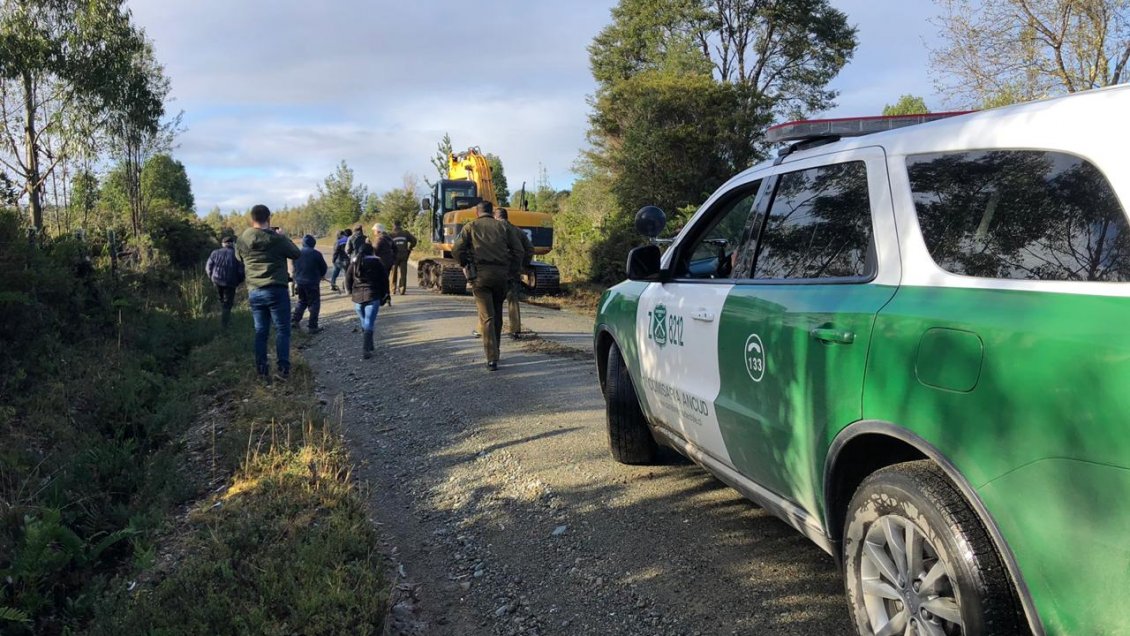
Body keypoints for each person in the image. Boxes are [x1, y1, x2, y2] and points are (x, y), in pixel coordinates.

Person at [452, 201, 524, 371]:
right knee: (497, 313)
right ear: (491, 212)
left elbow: (457, 249)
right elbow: (519, 251)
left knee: (487, 317)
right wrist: (511, 271)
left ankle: (492, 358)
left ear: (477, 213)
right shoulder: (503, 227)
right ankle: (496, 350)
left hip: (480, 276)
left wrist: (465, 263)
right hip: (501, 276)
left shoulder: (471, 227)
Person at [236, 204, 301, 381]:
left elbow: (238, 257)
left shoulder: (242, 238)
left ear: (252, 218)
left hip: (255, 290)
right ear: (269, 218)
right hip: (276, 289)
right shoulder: (277, 239)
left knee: (261, 332)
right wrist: (284, 237)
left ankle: (262, 371)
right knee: (282, 330)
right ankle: (283, 370)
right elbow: (296, 253)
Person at [345, 242, 390, 359]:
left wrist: (349, 290)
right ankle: (365, 349)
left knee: (364, 321)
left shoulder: (354, 263)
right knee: (369, 322)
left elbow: (348, 278)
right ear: (371, 251)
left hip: (357, 298)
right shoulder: (377, 262)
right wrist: (386, 293)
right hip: (372, 296)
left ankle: (370, 345)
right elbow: (385, 280)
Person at [494, 207, 534, 339]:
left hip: (496, 269)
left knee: (490, 301)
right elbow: (529, 249)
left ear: (496, 217)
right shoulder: (517, 231)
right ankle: (515, 330)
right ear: (507, 217)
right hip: (513, 270)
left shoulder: (493, 230)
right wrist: (522, 265)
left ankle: (484, 329)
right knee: (513, 300)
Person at [205, 235, 245, 328]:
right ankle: (224, 324)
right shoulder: (237, 254)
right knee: (228, 303)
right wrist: (239, 281)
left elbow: (208, 267)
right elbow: (241, 270)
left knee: (220, 300)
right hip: (231, 282)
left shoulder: (215, 253)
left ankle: (217, 320)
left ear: (223, 244)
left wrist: (211, 278)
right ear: (232, 244)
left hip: (217, 280)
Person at [291, 234, 328, 334]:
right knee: (314, 303)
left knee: (302, 301)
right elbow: (323, 267)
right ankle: (312, 326)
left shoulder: (297, 254)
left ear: (303, 243)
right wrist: (321, 275)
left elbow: (294, 268)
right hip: (312, 282)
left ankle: (294, 321)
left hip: (300, 282)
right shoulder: (316, 254)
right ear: (313, 243)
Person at [387, 220, 418, 295]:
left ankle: (393, 289)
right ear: (400, 225)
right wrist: (410, 248)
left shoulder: (390, 235)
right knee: (403, 273)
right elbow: (414, 241)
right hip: (404, 255)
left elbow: (387, 245)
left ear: (393, 225)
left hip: (394, 256)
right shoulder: (405, 233)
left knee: (393, 273)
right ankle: (402, 289)